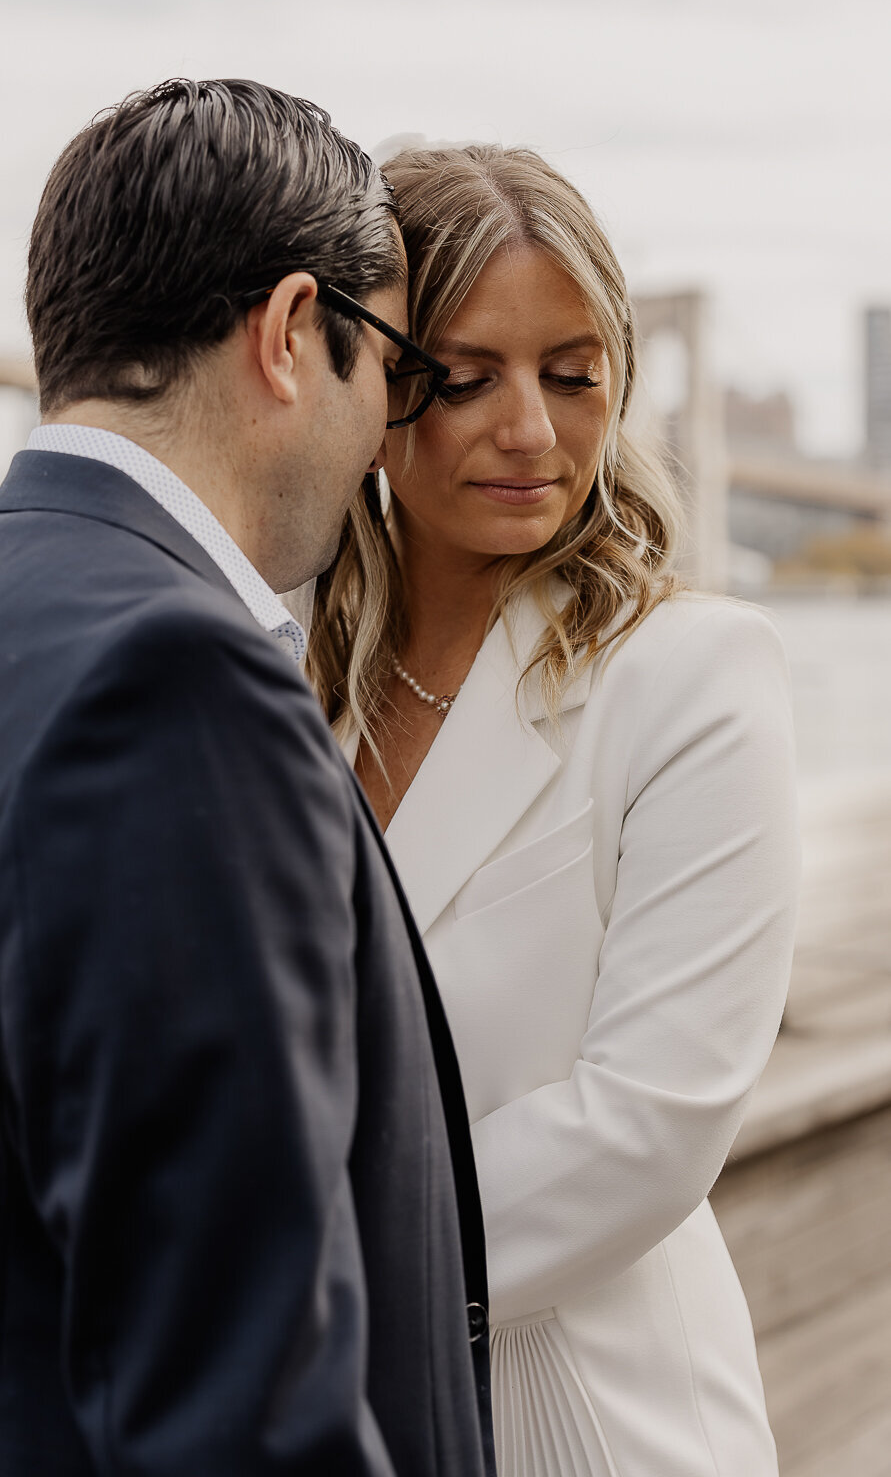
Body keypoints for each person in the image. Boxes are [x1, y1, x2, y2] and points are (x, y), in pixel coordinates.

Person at [0, 83, 494, 1477]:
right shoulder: (173, 682)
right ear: (291, 332)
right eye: (398, 373)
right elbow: (234, 1397)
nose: (391, 439)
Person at [305, 142, 799, 1476]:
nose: (532, 429)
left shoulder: (691, 677)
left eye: (573, 376)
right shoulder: (287, 688)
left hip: (591, 1418)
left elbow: (648, 1123)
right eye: (463, 380)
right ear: (367, 384)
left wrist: (287, 1278)